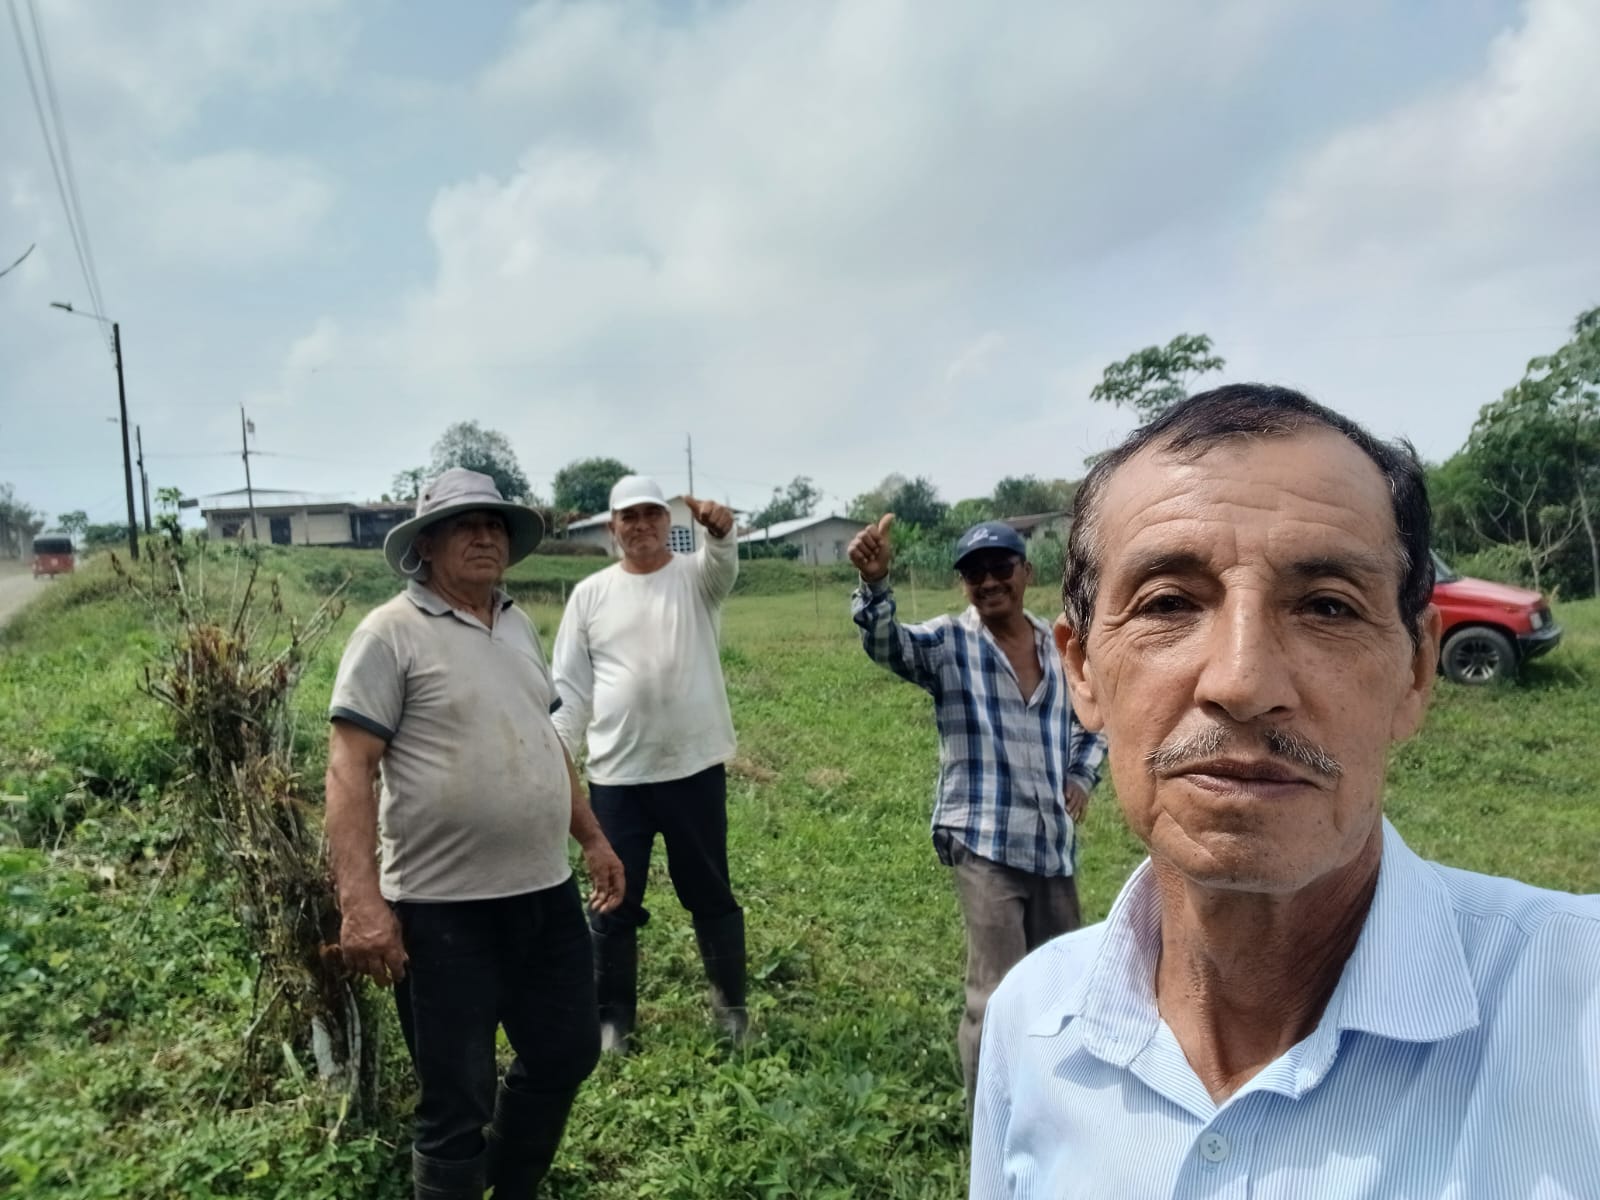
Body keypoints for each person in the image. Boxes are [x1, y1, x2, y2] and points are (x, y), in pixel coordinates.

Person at [971, 385, 1600, 1198]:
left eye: (1327, 607)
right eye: (1169, 603)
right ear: (1083, 670)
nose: (1243, 683)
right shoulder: (1032, 1024)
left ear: (1415, 672)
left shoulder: (1578, 1010)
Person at [324, 468, 624, 1200]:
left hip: (544, 893)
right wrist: (360, 904)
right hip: (441, 910)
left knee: (566, 1052)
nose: (485, 536)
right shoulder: (389, 632)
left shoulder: (517, 624)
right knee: (456, 1100)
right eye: (465, 525)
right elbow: (349, 767)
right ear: (425, 544)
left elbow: (544, 741)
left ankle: (510, 1186)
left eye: (495, 524)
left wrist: (591, 837)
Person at [848, 516, 1107, 1102]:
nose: (988, 582)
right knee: (995, 995)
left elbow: (1096, 716)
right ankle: (990, 1122)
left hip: (1051, 841)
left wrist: (1081, 775)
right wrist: (875, 583)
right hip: (984, 839)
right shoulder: (949, 644)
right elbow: (888, 644)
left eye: (1000, 568)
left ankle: (1052, 1105)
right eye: (973, 573)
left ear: (1026, 572)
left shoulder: (1060, 646)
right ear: (962, 584)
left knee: (1061, 986)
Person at [551, 475, 746, 1054]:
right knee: (613, 897)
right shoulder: (590, 595)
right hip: (617, 777)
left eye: (651, 514)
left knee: (710, 890)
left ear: (668, 521)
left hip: (694, 768)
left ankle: (731, 1012)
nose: (640, 526)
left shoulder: (696, 579)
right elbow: (571, 689)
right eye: (628, 517)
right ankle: (613, 1023)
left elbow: (723, 564)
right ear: (612, 527)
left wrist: (722, 533)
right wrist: (557, 752)